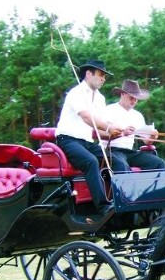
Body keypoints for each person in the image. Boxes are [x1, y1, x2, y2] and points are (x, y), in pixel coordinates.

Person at [55, 59, 129, 217]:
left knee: (117, 161)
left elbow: (98, 128)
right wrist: (109, 128)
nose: (103, 79)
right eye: (101, 75)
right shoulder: (76, 93)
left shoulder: (100, 99)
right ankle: (103, 207)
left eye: (104, 76)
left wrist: (116, 132)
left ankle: (124, 199)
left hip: (88, 142)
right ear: (88, 74)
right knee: (90, 161)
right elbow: (87, 118)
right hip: (67, 140)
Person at [101, 79, 165, 170]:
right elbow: (99, 135)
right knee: (122, 165)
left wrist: (152, 137)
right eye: (131, 98)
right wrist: (122, 133)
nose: (134, 101)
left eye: (136, 99)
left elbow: (146, 141)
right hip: (111, 150)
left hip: (130, 152)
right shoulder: (108, 110)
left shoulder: (137, 115)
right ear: (122, 94)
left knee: (159, 163)